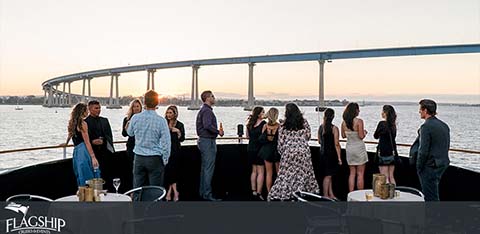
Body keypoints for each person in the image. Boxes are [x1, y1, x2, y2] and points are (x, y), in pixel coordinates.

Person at [268, 103, 319, 201]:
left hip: (288, 152)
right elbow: (308, 136)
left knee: (286, 175)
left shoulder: (283, 125)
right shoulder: (304, 122)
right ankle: (302, 193)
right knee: (303, 173)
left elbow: (281, 142)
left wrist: (283, 152)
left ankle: (285, 194)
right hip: (303, 152)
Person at [127, 90, 171, 188]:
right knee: (155, 190)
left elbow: (130, 133)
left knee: (137, 188)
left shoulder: (135, 118)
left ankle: (136, 203)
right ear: (157, 103)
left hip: (139, 157)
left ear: (144, 102)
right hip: (155, 158)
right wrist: (165, 159)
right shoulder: (161, 121)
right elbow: (166, 143)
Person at [410, 99, 450, 201]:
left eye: (420, 109)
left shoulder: (426, 127)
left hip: (430, 167)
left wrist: (419, 167)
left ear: (425, 110)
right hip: (441, 164)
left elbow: (423, 151)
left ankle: (432, 216)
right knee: (433, 192)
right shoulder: (444, 125)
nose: (419, 111)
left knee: (430, 196)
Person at [196, 90, 224, 201]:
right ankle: (207, 194)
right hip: (208, 142)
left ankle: (203, 193)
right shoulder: (207, 111)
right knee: (208, 169)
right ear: (208, 98)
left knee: (204, 169)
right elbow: (207, 125)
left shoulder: (203, 110)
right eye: (212, 96)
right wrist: (218, 132)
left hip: (203, 141)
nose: (214, 98)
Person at [63, 103, 99, 186]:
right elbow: (87, 141)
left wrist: (66, 143)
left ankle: (83, 193)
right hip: (83, 150)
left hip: (77, 150)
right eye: (86, 110)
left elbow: (70, 134)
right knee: (88, 172)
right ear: (83, 112)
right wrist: (93, 157)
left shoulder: (72, 123)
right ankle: (90, 194)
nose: (88, 112)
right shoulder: (83, 124)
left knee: (80, 173)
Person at [84, 100, 114, 190]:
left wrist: (104, 140)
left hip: (105, 153)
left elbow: (110, 136)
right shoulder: (85, 122)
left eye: (99, 108)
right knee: (93, 177)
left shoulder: (105, 120)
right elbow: (83, 138)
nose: (99, 110)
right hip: (92, 153)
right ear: (89, 109)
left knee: (106, 175)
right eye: (96, 108)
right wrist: (92, 142)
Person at [341, 102, 368, 192]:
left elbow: (343, 136)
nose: (359, 111)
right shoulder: (359, 121)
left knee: (352, 173)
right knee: (360, 174)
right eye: (358, 109)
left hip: (349, 148)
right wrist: (365, 132)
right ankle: (359, 196)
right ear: (355, 111)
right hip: (359, 148)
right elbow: (361, 136)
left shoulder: (343, 123)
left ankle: (351, 194)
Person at [318, 108, 342, 199]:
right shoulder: (334, 128)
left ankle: (330, 194)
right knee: (328, 176)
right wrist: (339, 158)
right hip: (331, 154)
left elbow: (319, 141)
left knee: (329, 175)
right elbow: (336, 144)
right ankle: (325, 195)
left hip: (322, 153)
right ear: (333, 116)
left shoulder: (321, 127)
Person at [164, 105, 185, 201]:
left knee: (174, 171)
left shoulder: (180, 124)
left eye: (170, 113)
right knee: (168, 171)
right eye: (167, 112)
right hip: (166, 150)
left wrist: (178, 132)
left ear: (175, 114)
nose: (168, 115)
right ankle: (174, 192)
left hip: (176, 150)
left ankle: (170, 192)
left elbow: (182, 139)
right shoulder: (163, 123)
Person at [373, 105, 398, 185]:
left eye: (383, 111)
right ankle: (393, 193)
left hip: (383, 152)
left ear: (385, 113)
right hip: (392, 152)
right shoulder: (393, 125)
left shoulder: (382, 124)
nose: (381, 113)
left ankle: (386, 195)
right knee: (391, 176)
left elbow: (375, 136)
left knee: (385, 177)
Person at [259, 107, 280, 194]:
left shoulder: (265, 126)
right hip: (277, 151)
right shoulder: (279, 126)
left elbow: (262, 138)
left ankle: (269, 193)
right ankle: (279, 192)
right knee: (279, 174)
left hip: (267, 151)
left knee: (269, 173)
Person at [246, 106, 266, 200]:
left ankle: (253, 190)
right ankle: (259, 192)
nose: (264, 114)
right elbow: (263, 138)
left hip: (250, 149)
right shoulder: (263, 124)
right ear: (259, 114)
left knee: (254, 171)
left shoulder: (249, 124)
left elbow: (247, 137)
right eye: (263, 112)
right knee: (261, 172)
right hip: (259, 149)